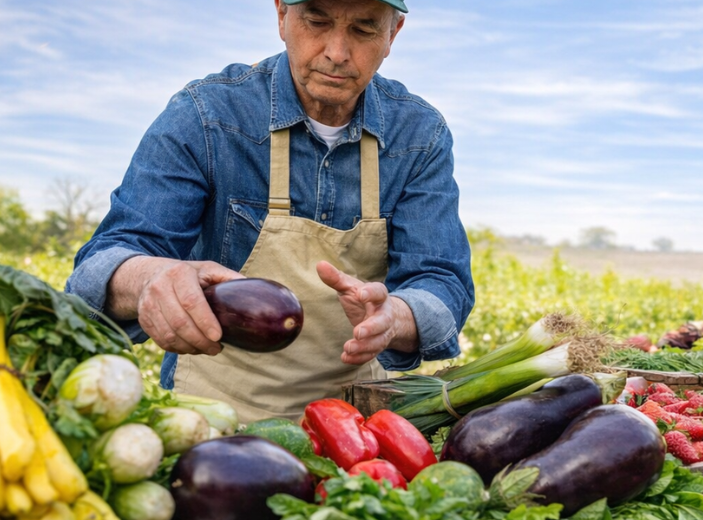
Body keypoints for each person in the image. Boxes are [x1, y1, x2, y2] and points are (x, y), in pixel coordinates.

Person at [66, 0, 474, 424]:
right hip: (210, 418)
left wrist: (396, 317)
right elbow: (105, 262)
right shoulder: (206, 115)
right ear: (281, 15)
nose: (336, 51)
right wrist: (149, 277)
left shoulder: (419, 135)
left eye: (364, 29)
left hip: (354, 427)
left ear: (393, 34)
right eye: (317, 20)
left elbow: (442, 280)